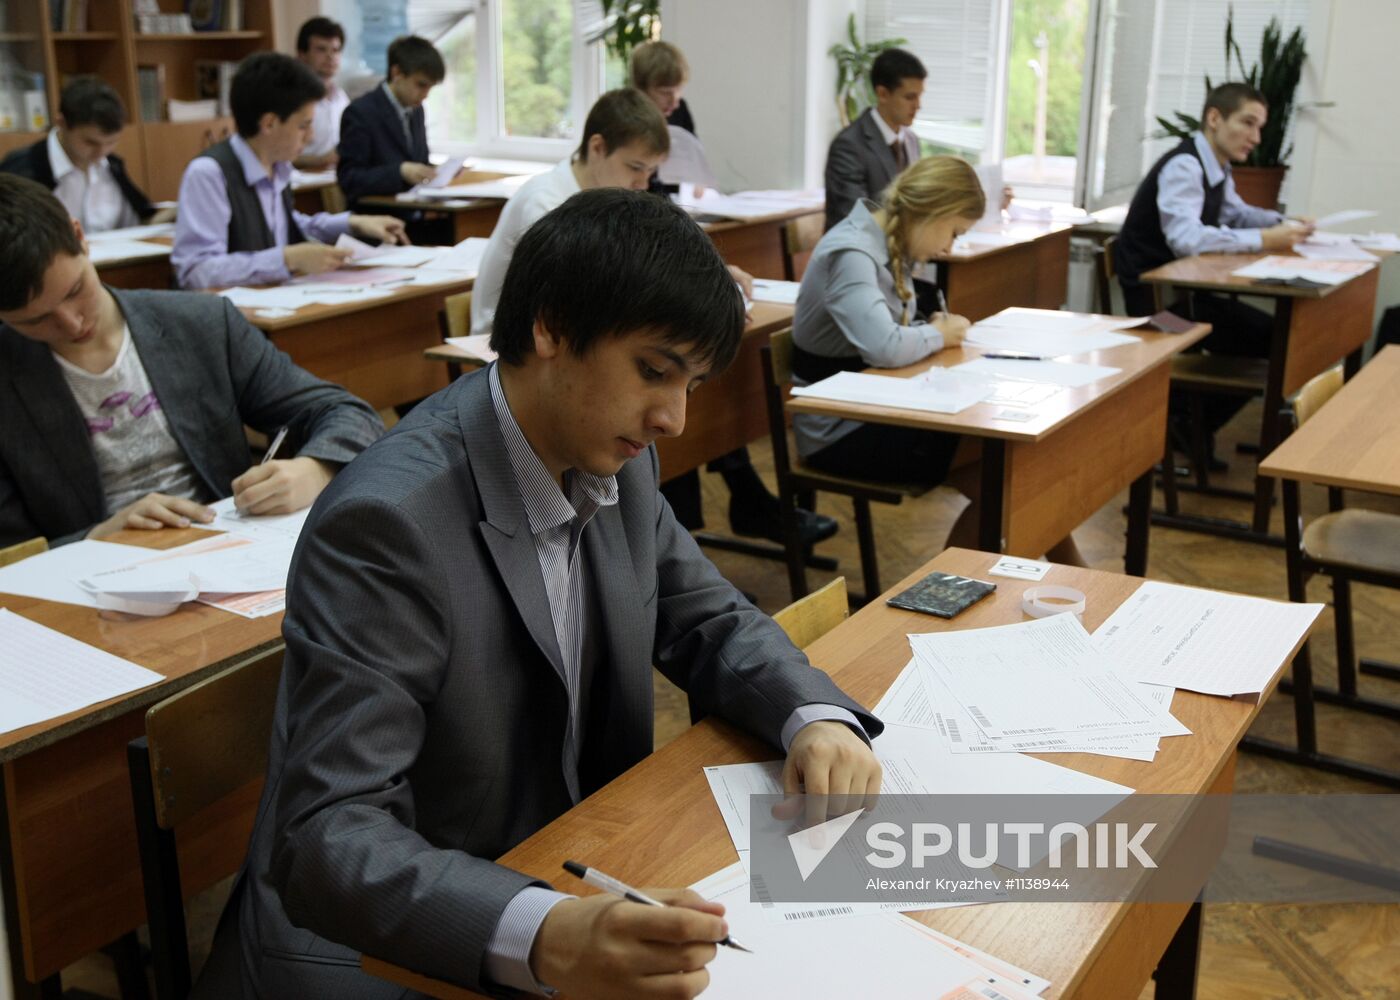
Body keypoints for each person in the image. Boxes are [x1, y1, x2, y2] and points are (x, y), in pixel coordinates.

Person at [194, 187, 884, 999]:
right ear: (551, 327)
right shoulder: (387, 525)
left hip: (568, 861)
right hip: (392, 943)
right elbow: (326, 835)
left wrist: (813, 715)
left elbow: (708, 616)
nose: (673, 418)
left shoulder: (616, 455)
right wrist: (544, 930)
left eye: (692, 384)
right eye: (655, 371)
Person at [0, 175, 384, 548]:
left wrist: (317, 468)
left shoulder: (200, 324)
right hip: (90, 575)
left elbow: (348, 412)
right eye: (36, 320)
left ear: (80, 236)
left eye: (75, 290)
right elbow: (11, 549)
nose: (72, 323)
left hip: (227, 546)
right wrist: (92, 539)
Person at [793, 156, 1082, 562]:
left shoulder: (888, 244)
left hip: (879, 407)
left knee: (1018, 477)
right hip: (840, 431)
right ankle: (952, 587)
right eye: (954, 232)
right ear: (933, 212)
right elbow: (884, 347)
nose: (948, 247)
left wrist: (928, 328)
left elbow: (888, 332)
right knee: (1007, 473)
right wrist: (938, 335)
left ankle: (982, 581)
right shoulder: (852, 252)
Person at [626, 43, 838, 546]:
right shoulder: (626, 125)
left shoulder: (679, 115)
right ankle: (711, 520)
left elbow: (676, 187)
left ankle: (719, 516)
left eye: (678, 92)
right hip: (650, 253)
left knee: (704, 365)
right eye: (664, 93)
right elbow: (638, 212)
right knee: (675, 357)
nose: (673, 103)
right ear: (641, 88)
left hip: (670, 233)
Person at [1114, 82, 1312, 443]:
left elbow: (1236, 213)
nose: (1255, 138)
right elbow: (1186, 238)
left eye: (1260, 127)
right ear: (1215, 118)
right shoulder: (1185, 166)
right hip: (1158, 312)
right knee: (1271, 338)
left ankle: (1191, 426)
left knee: (1276, 337)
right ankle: (1186, 427)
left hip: (1185, 299)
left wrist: (1285, 223)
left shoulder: (1217, 166)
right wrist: (1265, 239)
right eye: (1248, 123)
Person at [171, 52, 408, 290]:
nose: (310, 137)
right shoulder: (209, 173)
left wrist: (352, 223)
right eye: (303, 126)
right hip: (238, 309)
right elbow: (196, 272)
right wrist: (286, 259)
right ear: (269, 124)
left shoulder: (278, 165)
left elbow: (285, 226)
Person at [0, 76, 171, 232]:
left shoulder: (112, 165)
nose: (102, 152)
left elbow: (140, 220)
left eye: (111, 142)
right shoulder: (22, 168)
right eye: (91, 143)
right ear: (62, 123)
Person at [823, 48, 926, 231]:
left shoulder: (911, 141)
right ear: (882, 94)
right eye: (910, 97)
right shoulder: (849, 145)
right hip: (860, 245)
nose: (918, 105)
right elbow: (854, 217)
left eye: (920, 96)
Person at [336, 35, 444, 205]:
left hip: (416, 210)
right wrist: (399, 172)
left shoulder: (417, 110)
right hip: (377, 215)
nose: (426, 95)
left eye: (430, 87)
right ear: (397, 73)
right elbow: (349, 179)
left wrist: (436, 171)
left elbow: (419, 162)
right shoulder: (360, 112)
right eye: (421, 85)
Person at [293, 16, 349, 171]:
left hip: (340, 178)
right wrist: (320, 160)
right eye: (321, 50)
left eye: (335, 50)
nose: (330, 57)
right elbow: (276, 156)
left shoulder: (342, 98)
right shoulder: (291, 99)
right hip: (305, 181)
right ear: (302, 54)